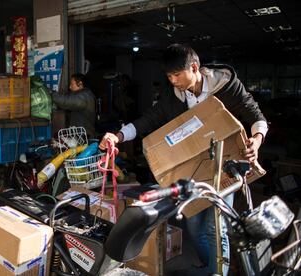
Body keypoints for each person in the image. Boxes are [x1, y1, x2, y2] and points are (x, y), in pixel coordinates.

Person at [100, 43, 268, 275]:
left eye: (177, 74)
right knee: (193, 224)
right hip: (194, 169)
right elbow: (149, 120)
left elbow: (256, 114)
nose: (173, 81)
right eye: (169, 76)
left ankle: (218, 271)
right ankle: (209, 264)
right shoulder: (174, 97)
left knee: (214, 226)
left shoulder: (226, 86)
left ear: (195, 67)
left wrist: (257, 139)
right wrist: (118, 136)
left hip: (224, 165)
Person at [52, 73, 96, 138]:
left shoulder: (84, 97)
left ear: (80, 84)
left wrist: (50, 94)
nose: (70, 87)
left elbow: (66, 101)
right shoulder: (82, 94)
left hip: (84, 137)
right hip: (81, 135)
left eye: (72, 84)